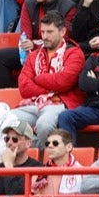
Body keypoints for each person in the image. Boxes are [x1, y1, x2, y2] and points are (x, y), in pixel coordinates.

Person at [15, 14, 84, 146]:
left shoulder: (74, 53)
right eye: (43, 32)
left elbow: (64, 81)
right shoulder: (34, 55)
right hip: (34, 103)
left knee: (44, 125)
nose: (45, 36)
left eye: (50, 32)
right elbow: (24, 87)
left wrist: (38, 78)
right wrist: (52, 87)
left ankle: (43, 162)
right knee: (8, 121)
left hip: (59, 103)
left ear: (63, 31)